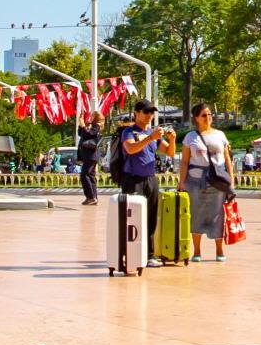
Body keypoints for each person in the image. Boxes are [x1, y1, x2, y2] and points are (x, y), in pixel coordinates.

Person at [115, 100, 169, 258]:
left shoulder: (153, 133)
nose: (149, 116)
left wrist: (171, 140)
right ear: (136, 113)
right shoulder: (129, 131)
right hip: (133, 180)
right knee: (132, 218)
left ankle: (149, 253)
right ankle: (131, 251)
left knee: (151, 217)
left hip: (150, 179)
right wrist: (150, 138)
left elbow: (169, 152)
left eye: (152, 112)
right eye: (146, 112)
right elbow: (130, 148)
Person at [181, 104, 233, 263]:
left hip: (217, 181)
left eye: (209, 114)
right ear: (196, 117)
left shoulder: (220, 135)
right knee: (195, 214)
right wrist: (181, 182)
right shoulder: (190, 137)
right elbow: (184, 162)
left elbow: (227, 159)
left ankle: (219, 249)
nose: (208, 118)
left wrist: (231, 181)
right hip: (195, 180)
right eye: (204, 115)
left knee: (217, 214)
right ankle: (196, 250)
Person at [76, 107, 102, 206]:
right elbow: (81, 134)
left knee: (85, 175)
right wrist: (81, 124)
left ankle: (91, 197)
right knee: (90, 176)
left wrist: (83, 126)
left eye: (92, 116)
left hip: (91, 155)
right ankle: (93, 197)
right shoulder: (92, 126)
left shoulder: (97, 126)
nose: (90, 117)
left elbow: (88, 134)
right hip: (89, 155)